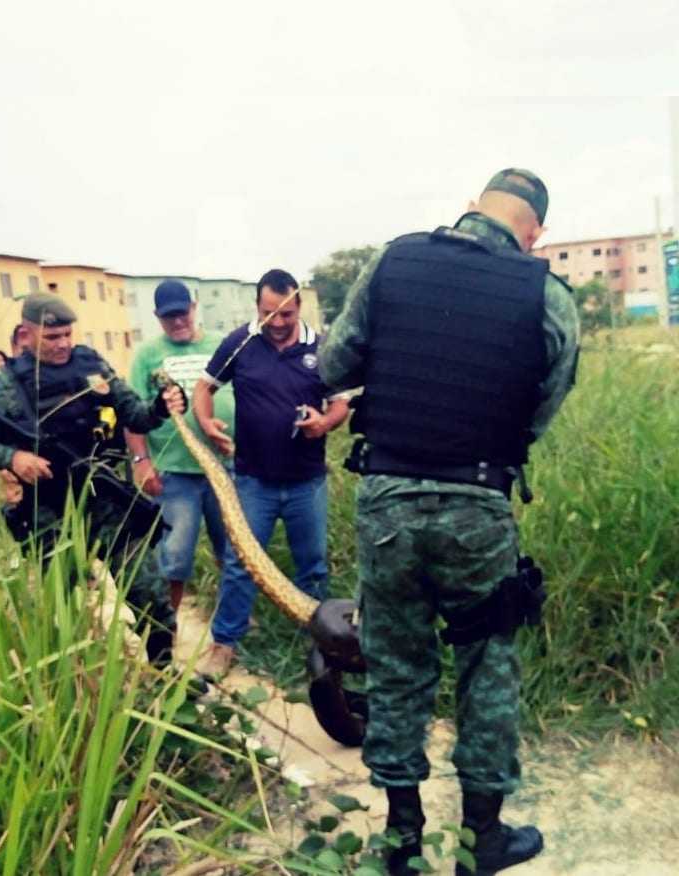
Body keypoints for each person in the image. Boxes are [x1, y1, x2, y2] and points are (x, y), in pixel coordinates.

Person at [318, 169, 579, 876]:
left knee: (398, 668)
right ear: (535, 233)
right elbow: (540, 413)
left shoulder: (394, 260)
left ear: (472, 208)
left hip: (387, 503)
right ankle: (482, 841)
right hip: (478, 502)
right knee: (486, 667)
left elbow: (334, 361)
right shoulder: (547, 295)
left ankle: (401, 842)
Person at [0, 293, 186, 664]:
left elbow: (135, 415)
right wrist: (13, 457)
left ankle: (164, 671)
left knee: (149, 592)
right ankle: (78, 682)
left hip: (105, 500)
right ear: (27, 334)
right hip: (49, 511)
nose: (63, 343)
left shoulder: (91, 364)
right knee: (62, 606)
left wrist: (161, 407)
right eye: (52, 337)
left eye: (67, 334)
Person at [192, 268, 350, 678]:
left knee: (312, 565)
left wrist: (324, 422)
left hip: (306, 482)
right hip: (253, 482)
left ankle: (316, 644)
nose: (277, 324)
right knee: (241, 564)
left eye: (286, 315)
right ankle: (224, 644)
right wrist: (207, 423)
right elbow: (204, 387)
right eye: (269, 314)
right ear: (257, 308)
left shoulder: (321, 347)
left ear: (298, 307)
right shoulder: (240, 342)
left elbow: (340, 404)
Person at [126, 280, 235, 613]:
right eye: (168, 316)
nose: (177, 322)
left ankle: (232, 626)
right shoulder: (147, 354)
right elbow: (131, 413)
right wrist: (141, 461)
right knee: (174, 559)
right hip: (174, 474)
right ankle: (166, 630)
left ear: (194, 307)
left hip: (225, 468)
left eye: (182, 313)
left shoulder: (222, 345)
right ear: (158, 317)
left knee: (233, 552)